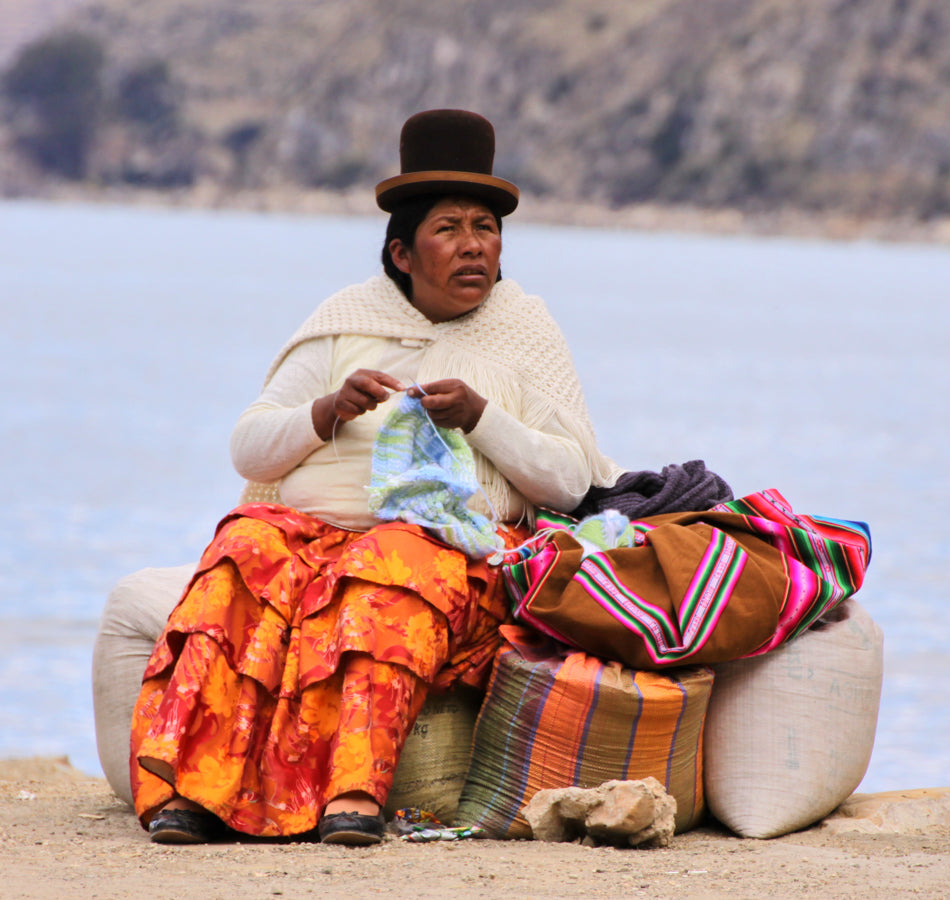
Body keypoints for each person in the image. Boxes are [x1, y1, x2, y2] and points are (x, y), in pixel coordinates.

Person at [129, 109, 622, 846]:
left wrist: (483, 417)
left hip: (444, 549)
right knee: (243, 552)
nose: (473, 247)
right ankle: (193, 792)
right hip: (309, 536)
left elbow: (571, 479)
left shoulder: (523, 332)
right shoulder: (343, 322)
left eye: (485, 228)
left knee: (384, 564)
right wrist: (326, 411)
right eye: (449, 229)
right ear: (401, 252)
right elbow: (250, 449)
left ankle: (351, 793)